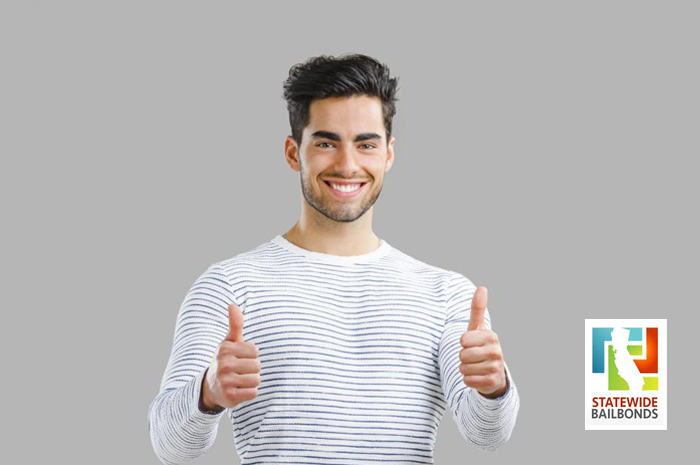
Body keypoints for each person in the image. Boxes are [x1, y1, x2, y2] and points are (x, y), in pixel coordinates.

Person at [148, 53, 519, 465]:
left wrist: (494, 388)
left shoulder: (447, 294)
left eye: (366, 144)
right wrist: (208, 393)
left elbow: (487, 435)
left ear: (389, 154)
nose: (347, 165)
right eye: (326, 143)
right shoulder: (229, 285)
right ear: (293, 153)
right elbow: (170, 446)